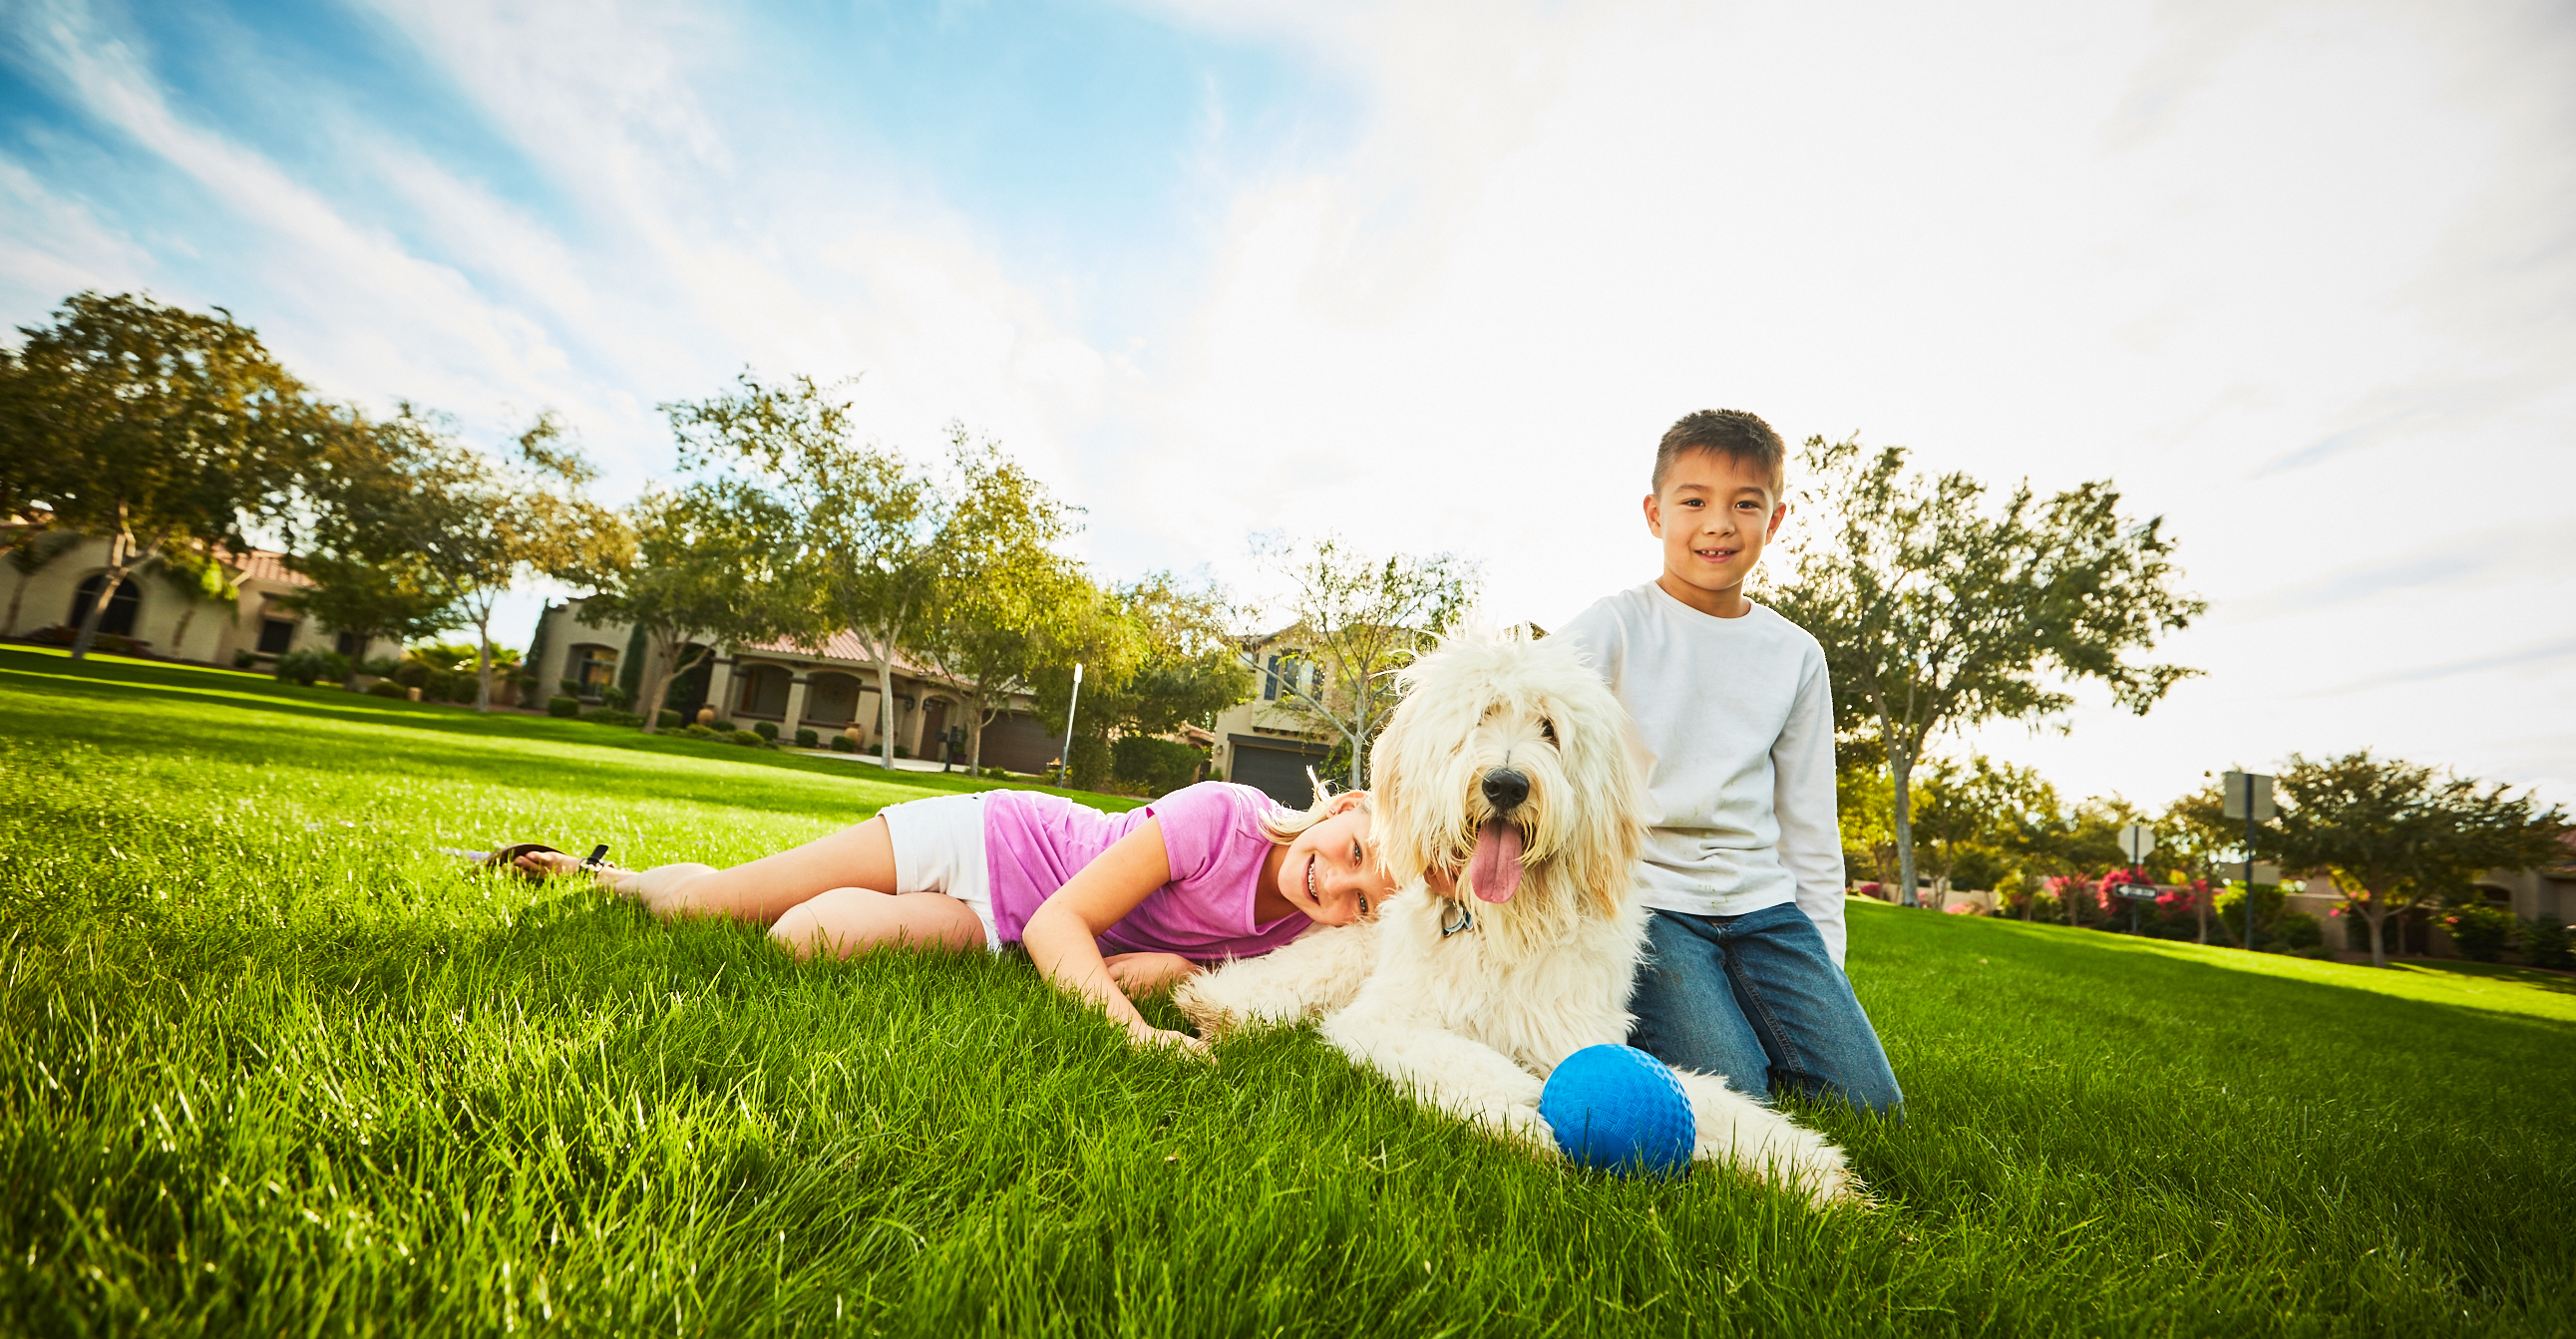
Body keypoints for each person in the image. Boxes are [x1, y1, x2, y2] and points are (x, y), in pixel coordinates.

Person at [505, 780, 1397, 1056]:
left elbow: (1149, 958)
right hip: (983, 843)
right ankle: (616, 880)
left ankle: (726, 885)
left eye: (1364, 902)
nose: (1340, 887)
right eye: (1354, 852)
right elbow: (1063, 926)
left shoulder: (1306, 929)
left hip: (996, 930)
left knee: (798, 939)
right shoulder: (1225, 815)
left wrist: (1170, 973)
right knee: (704, 913)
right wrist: (1133, 1033)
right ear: (1345, 805)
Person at [1552, 408, 1902, 1112]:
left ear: (1774, 522)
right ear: (1655, 514)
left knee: (1871, 1109)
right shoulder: (1615, 625)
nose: (1719, 524)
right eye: (1694, 502)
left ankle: (1764, 1018)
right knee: (1733, 1097)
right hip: (1651, 902)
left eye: (1746, 505)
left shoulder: (1797, 655)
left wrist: (1824, 966)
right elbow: (1522, 709)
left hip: (1765, 910)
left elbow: (1807, 820)